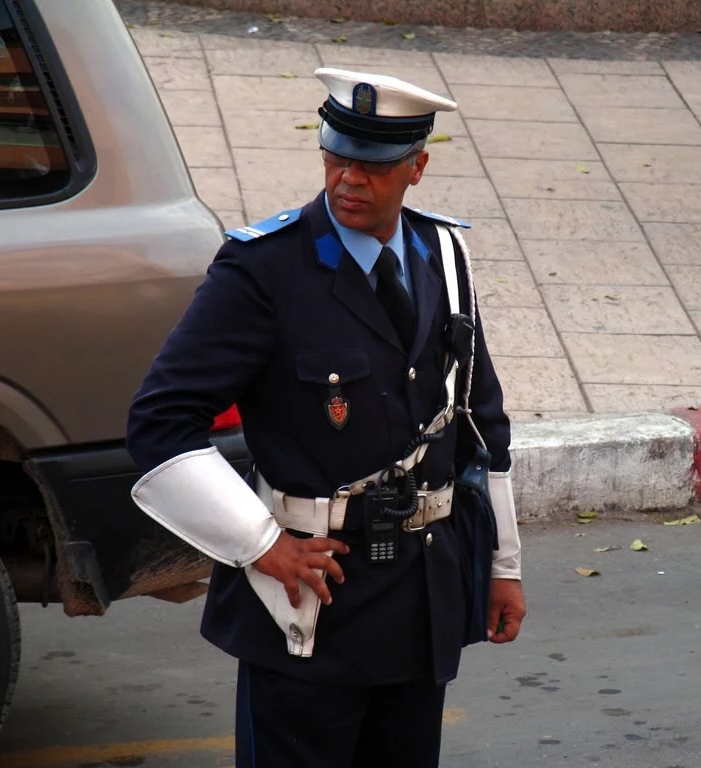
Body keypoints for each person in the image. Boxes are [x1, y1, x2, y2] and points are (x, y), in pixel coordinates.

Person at [125, 67, 526, 768]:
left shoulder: (444, 256)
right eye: (336, 157)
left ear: (416, 168)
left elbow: (478, 423)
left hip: (420, 601)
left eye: (372, 166)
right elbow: (159, 424)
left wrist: (503, 566)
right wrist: (259, 545)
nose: (347, 179)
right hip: (310, 601)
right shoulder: (263, 270)